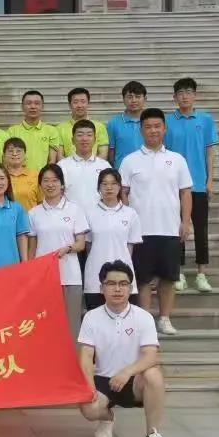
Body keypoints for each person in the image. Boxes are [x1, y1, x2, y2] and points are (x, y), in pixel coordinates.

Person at [78, 260, 174, 437]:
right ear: (101, 288)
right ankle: (107, 418)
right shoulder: (91, 317)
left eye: (123, 284)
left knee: (154, 374)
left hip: (134, 381)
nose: (117, 289)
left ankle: (153, 435)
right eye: (111, 284)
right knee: (89, 409)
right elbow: (86, 356)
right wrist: (89, 387)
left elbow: (151, 355)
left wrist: (127, 372)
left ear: (131, 288)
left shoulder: (143, 317)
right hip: (103, 380)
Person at [120, 108, 193, 336]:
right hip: (141, 231)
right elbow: (123, 193)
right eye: (148, 127)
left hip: (170, 228)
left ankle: (164, 318)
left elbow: (185, 193)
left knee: (169, 277)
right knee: (142, 278)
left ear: (164, 128)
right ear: (141, 130)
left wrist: (186, 222)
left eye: (157, 126)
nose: (153, 130)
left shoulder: (177, 159)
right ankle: (145, 322)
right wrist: (128, 222)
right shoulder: (130, 161)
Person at [166, 77, 219, 293]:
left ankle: (201, 274)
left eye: (188, 92)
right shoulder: (167, 122)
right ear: (174, 97)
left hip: (197, 184)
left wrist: (210, 179)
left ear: (195, 95)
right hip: (174, 186)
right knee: (176, 228)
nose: (184, 96)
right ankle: (178, 272)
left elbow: (209, 152)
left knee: (201, 229)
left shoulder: (205, 120)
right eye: (180, 93)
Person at [27, 164, 88, 339]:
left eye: (54, 180)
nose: (50, 184)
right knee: (45, 325)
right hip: (43, 278)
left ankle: (74, 357)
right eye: (45, 181)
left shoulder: (75, 210)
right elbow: (32, 248)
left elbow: (81, 244)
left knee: (71, 325)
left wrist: (68, 249)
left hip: (70, 276)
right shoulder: (33, 213)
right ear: (40, 185)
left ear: (62, 184)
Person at [84, 169, 142, 311]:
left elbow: (130, 247)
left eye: (113, 183)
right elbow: (88, 245)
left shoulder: (130, 213)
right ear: (98, 187)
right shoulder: (89, 213)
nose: (109, 188)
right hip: (95, 274)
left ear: (120, 186)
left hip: (123, 275)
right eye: (104, 184)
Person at [58, 119, 112, 215]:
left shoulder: (105, 166)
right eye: (80, 135)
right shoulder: (62, 166)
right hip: (71, 219)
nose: (84, 139)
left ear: (95, 140)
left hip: (99, 218)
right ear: (72, 140)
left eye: (89, 135)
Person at [7, 90, 59, 172]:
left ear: (42, 106)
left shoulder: (51, 131)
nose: (33, 106)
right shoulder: (12, 131)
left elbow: (52, 161)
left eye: (37, 103)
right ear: (22, 107)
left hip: (42, 177)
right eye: (28, 103)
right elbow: (8, 159)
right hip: (18, 177)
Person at [56, 88, 109, 160]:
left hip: (94, 166)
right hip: (68, 167)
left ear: (88, 104)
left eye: (83, 101)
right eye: (75, 102)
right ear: (69, 105)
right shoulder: (59, 128)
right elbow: (59, 156)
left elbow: (103, 154)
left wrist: (89, 166)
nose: (79, 105)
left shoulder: (100, 127)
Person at [107, 81, 146, 168]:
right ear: (123, 100)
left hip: (148, 170)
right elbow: (111, 153)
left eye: (138, 97)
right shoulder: (113, 123)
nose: (134, 100)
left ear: (145, 99)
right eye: (130, 97)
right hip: (122, 171)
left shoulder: (151, 122)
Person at [2, 138, 41, 212]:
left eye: (18, 151)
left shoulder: (36, 176)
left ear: (25, 155)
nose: (14, 154)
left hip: (29, 218)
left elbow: (41, 202)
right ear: (4, 155)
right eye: (10, 151)